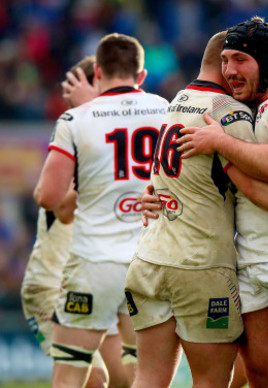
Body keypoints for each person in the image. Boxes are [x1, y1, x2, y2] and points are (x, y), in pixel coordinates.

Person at [130, 31, 268, 388]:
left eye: (240, 60)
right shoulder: (238, 109)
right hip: (247, 258)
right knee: (262, 374)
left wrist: (221, 143)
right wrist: (159, 193)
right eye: (225, 61)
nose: (230, 70)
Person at [33, 33, 168, 387]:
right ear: (141, 75)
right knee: (144, 375)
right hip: (151, 262)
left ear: (97, 73)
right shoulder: (168, 110)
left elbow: (49, 197)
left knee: (70, 375)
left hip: (95, 264)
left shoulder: (76, 120)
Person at [22, 57, 132, 388]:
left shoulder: (114, 145)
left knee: (126, 379)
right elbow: (62, 206)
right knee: (91, 379)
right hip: (51, 286)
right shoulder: (76, 139)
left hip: (96, 278)